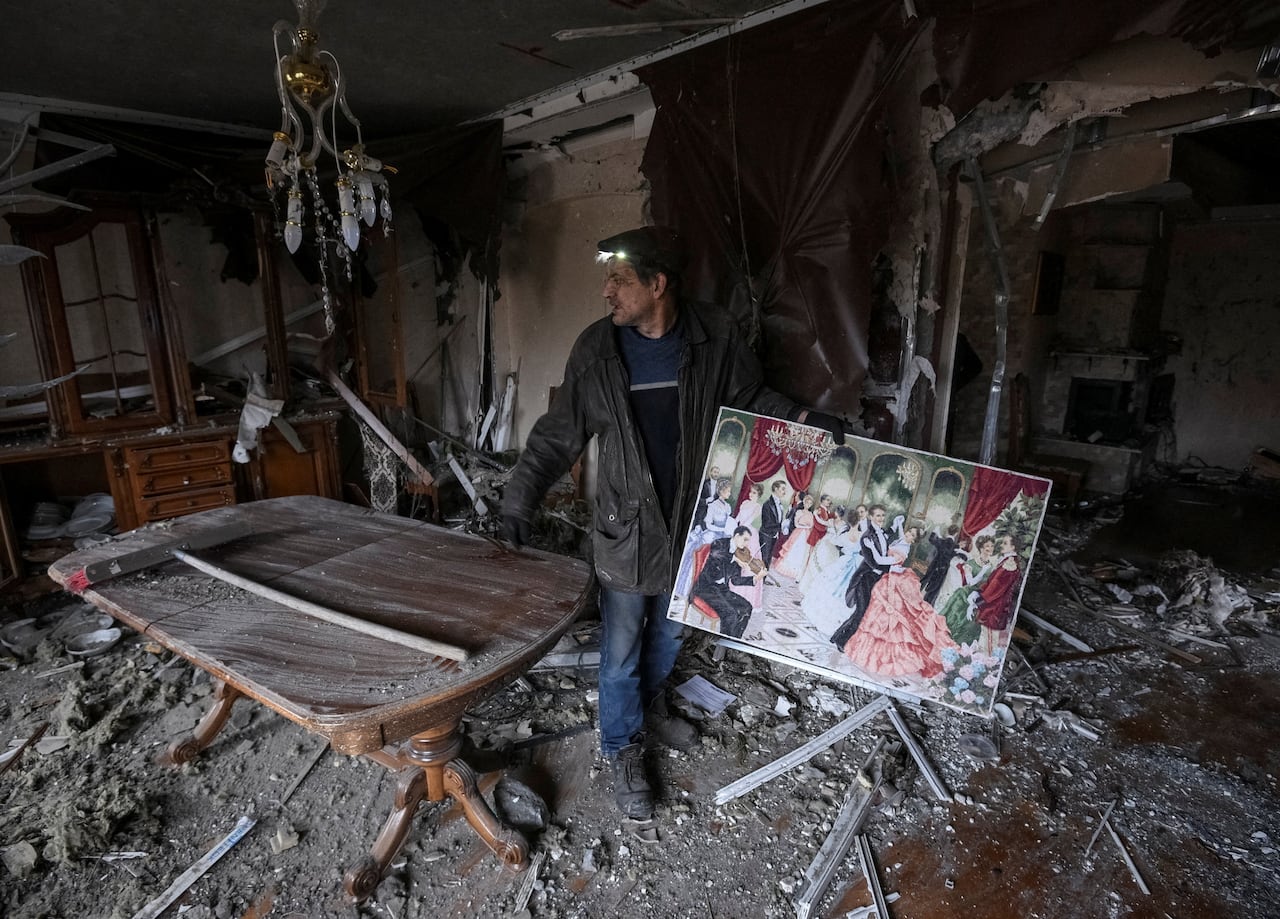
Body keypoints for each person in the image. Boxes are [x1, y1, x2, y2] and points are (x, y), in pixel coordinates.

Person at [500, 226, 845, 823]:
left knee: (671, 634)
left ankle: (646, 708)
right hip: (627, 529)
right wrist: (517, 505)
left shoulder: (715, 336)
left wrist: (807, 420)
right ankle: (621, 747)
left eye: (620, 280)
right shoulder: (596, 351)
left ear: (658, 285)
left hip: (696, 526)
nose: (607, 291)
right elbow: (557, 438)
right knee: (620, 650)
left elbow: (749, 400)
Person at [839, 525, 960, 679]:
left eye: (911, 535)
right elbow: (901, 538)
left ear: (913, 540)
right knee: (875, 613)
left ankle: (887, 656)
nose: (907, 535)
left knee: (891, 616)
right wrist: (899, 526)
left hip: (892, 583)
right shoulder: (902, 541)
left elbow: (881, 560)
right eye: (908, 532)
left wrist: (870, 547)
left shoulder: (904, 549)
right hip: (888, 578)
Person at [828, 505, 894, 648]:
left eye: (883, 515)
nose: (881, 518)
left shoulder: (881, 534)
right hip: (865, 578)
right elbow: (873, 563)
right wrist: (891, 565)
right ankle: (841, 641)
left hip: (876, 579)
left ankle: (837, 636)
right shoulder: (866, 537)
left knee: (862, 611)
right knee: (861, 611)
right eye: (877, 516)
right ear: (870, 517)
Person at [693, 526, 764, 639]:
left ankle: (733, 640)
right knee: (730, 613)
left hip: (722, 589)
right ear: (736, 536)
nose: (746, 544)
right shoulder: (720, 543)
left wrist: (755, 578)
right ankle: (722, 642)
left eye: (748, 541)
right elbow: (716, 555)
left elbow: (735, 580)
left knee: (746, 607)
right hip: (705, 587)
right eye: (745, 539)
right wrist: (735, 559)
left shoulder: (738, 553)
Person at [937, 535, 996, 646]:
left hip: (979, 596)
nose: (990, 548)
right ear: (981, 548)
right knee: (954, 617)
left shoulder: (991, 566)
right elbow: (971, 582)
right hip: (964, 594)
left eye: (992, 546)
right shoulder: (971, 563)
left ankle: (958, 646)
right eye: (987, 546)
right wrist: (983, 571)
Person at [771, 491, 816, 580]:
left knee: (802, 552)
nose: (808, 505)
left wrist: (807, 527)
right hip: (798, 532)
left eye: (810, 503)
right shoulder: (799, 511)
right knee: (793, 548)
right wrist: (803, 526)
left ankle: (796, 571)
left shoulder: (811, 514)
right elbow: (796, 523)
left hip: (806, 534)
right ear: (804, 502)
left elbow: (811, 525)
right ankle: (785, 568)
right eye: (807, 502)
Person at [758, 479, 792, 568]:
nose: (785, 492)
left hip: (773, 536)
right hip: (766, 536)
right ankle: (758, 580)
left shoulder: (779, 504)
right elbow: (767, 524)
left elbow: (777, 520)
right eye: (783, 489)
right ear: (776, 489)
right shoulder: (767, 504)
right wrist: (781, 525)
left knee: (768, 559)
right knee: (763, 559)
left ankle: (762, 580)